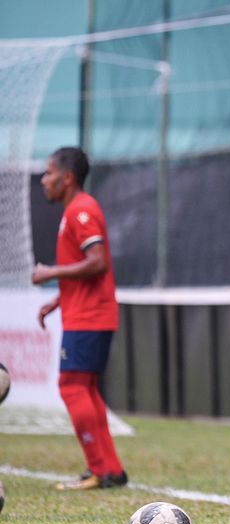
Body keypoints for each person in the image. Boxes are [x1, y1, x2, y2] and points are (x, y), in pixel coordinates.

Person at [32, 147, 128, 491]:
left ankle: (99, 470)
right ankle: (111, 469)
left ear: (68, 177)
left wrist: (50, 273)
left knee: (72, 386)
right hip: (88, 313)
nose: (44, 180)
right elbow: (88, 269)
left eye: (49, 173)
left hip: (89, 317)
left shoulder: (81, 210)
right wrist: (59, 300)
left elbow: (98, 262)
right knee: (84, 388)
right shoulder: (75, 210)